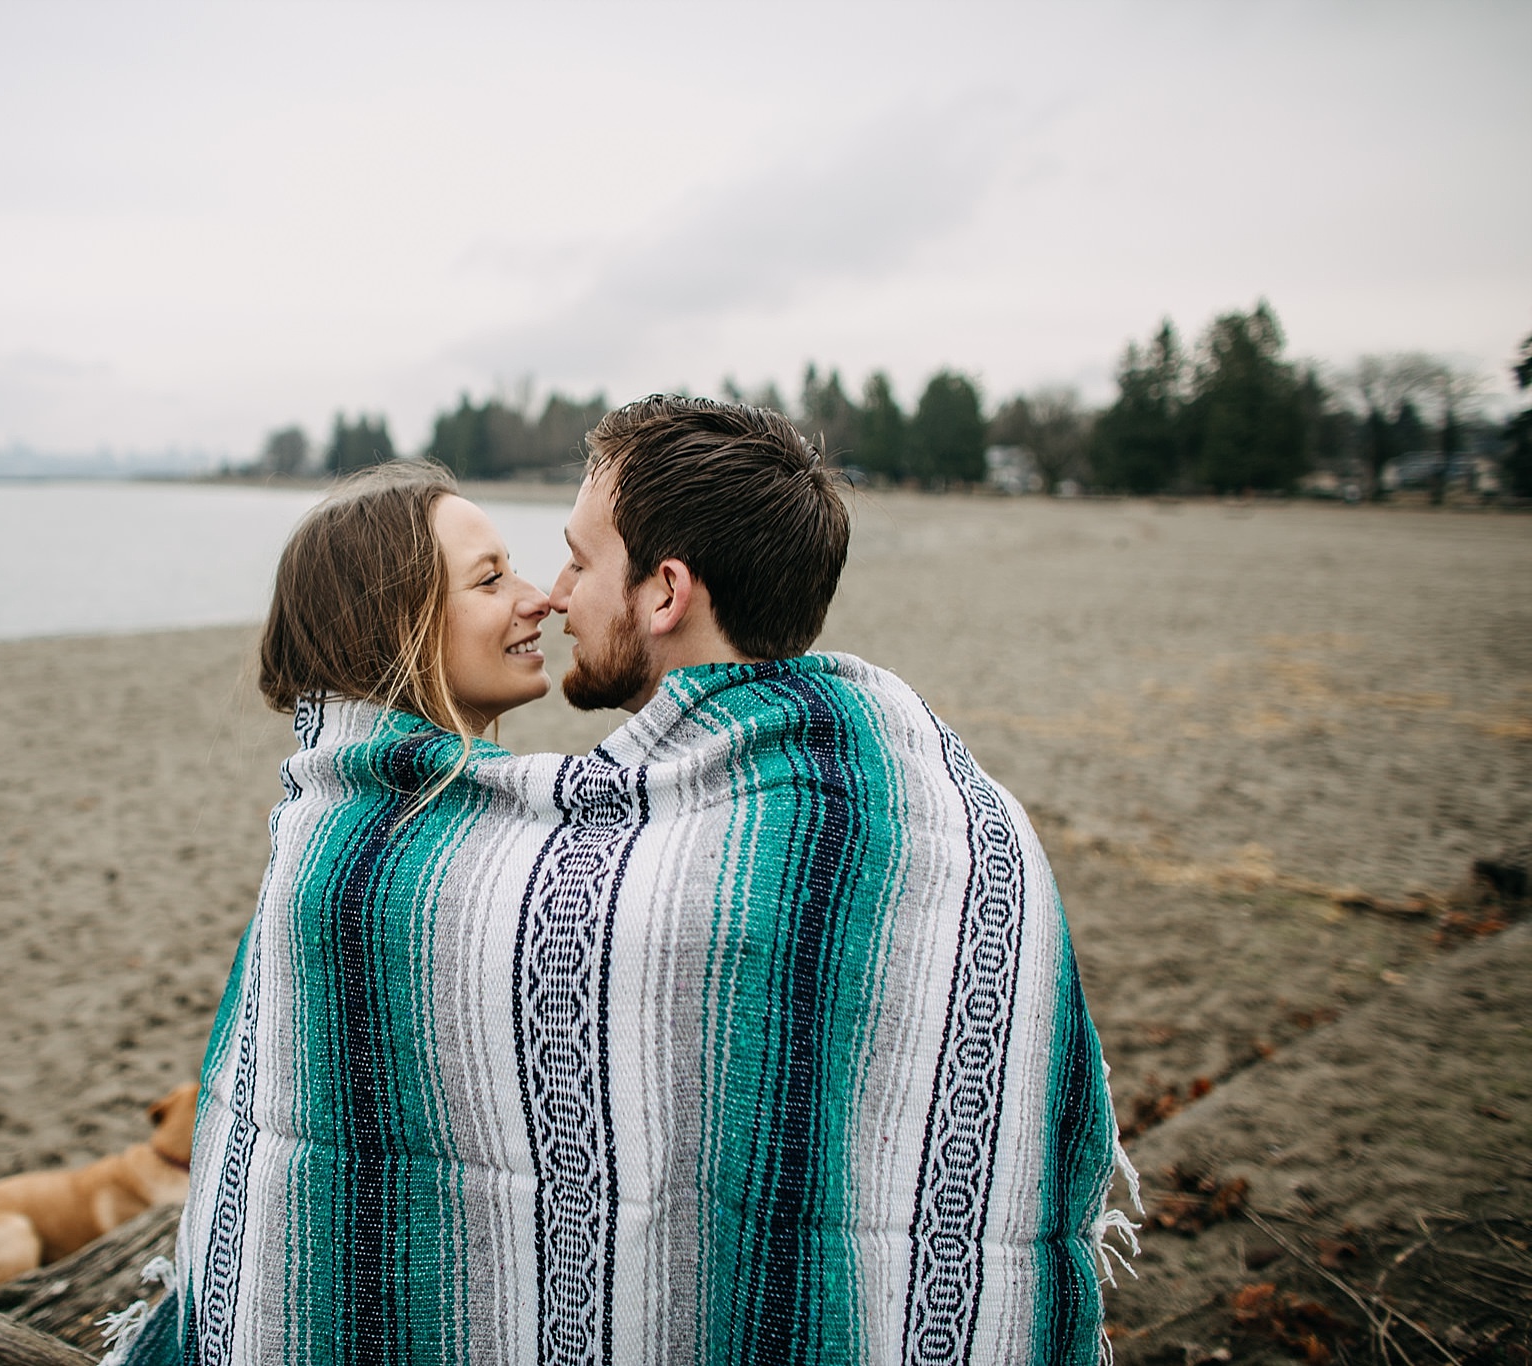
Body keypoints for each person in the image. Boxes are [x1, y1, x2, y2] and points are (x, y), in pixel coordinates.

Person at [126, 401, 1134, 1366]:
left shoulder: (568, 854)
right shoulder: (936, 797)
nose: (550, 594)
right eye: (502, 575)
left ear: (662, 593)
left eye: (573, 557)